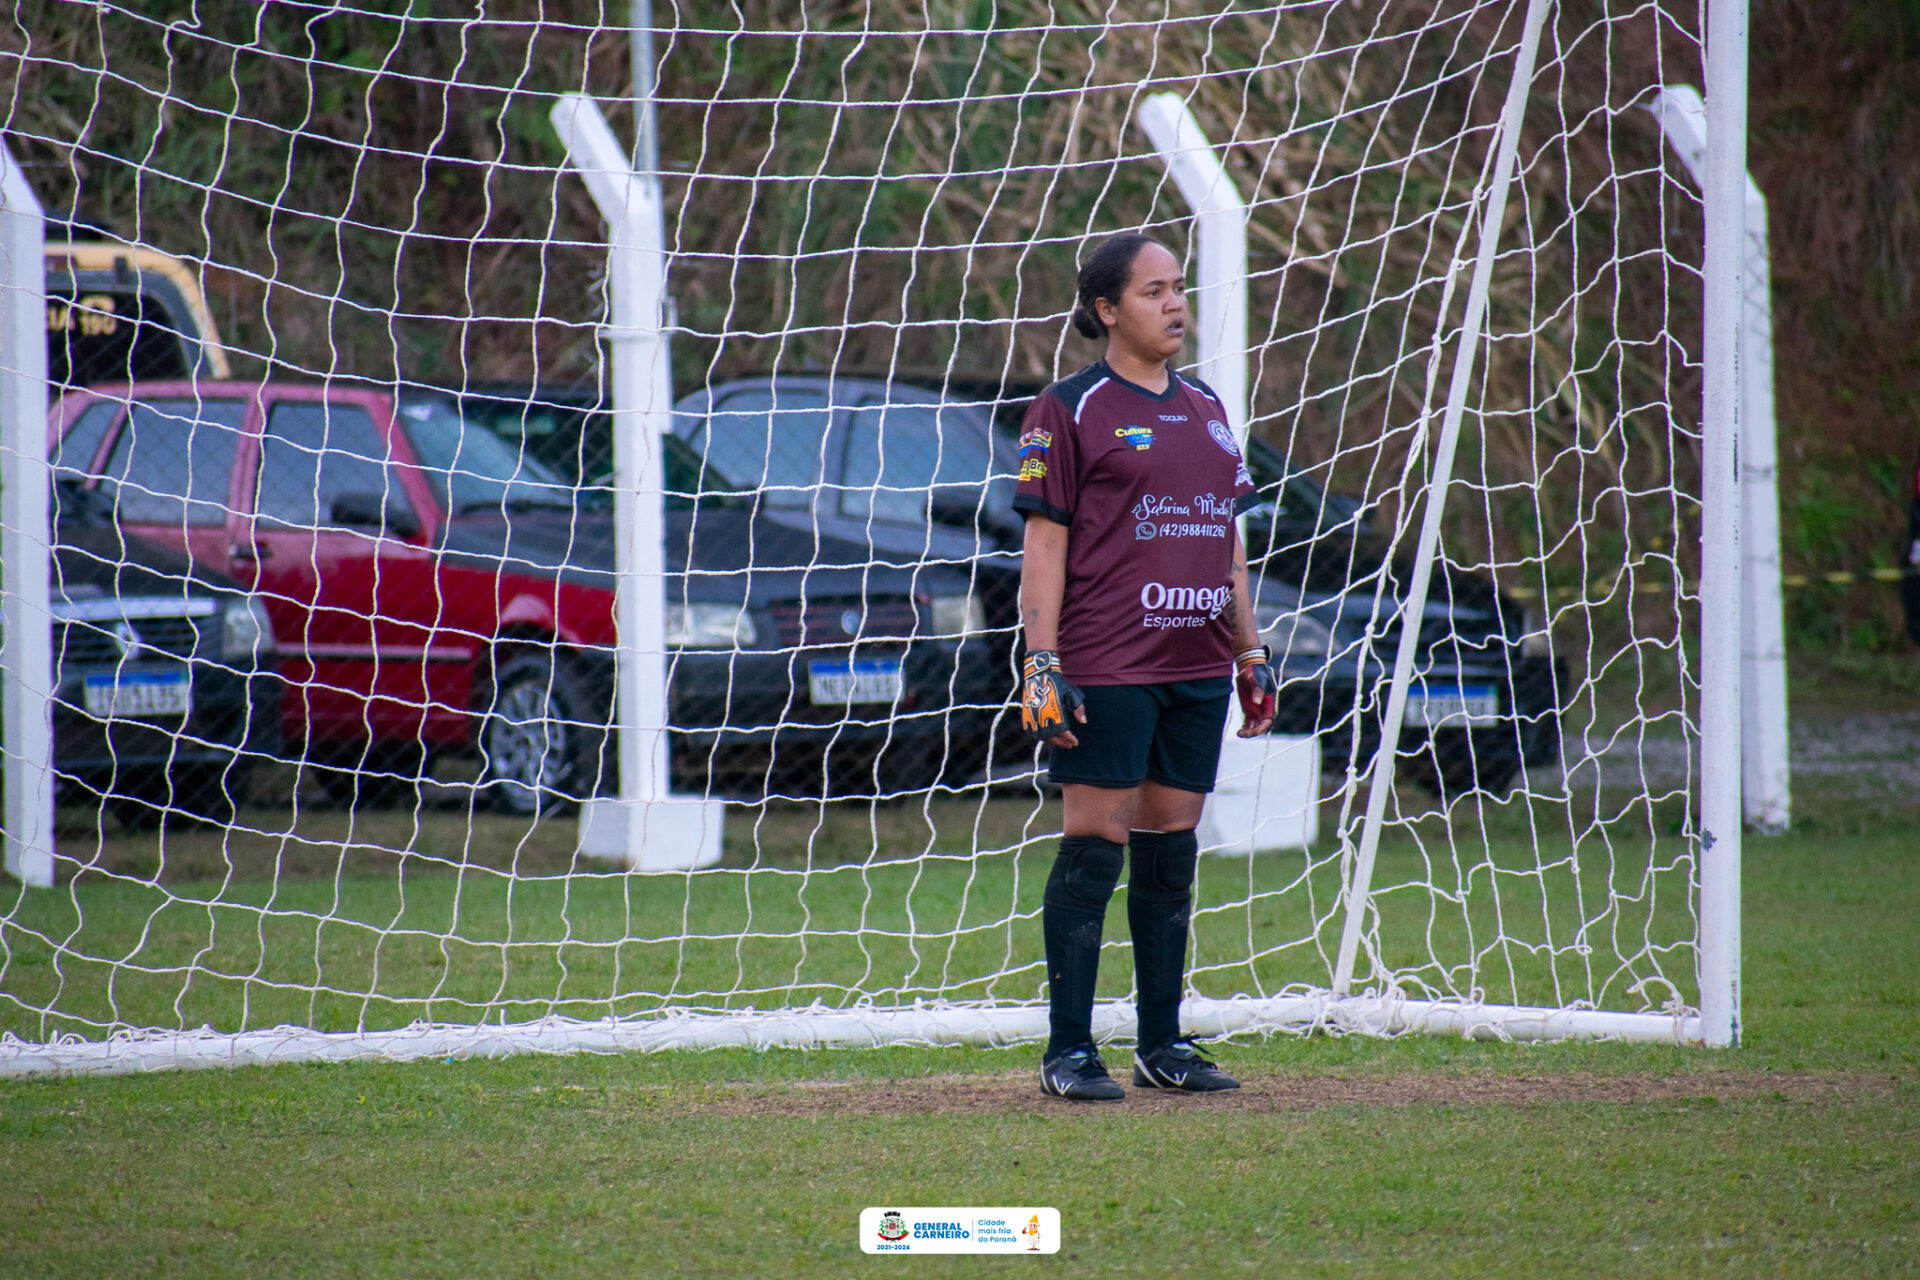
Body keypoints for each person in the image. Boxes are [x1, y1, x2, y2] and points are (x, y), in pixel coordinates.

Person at [1014, 232, 1278, 1102]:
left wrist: (1249, 647)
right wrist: (1041, 661)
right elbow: (1044, 547)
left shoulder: (1207, 408)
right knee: (1096, 846)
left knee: (1172, 852)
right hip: (1107, 661)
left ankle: (1162, 1043)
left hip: (1194, 662)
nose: (1175, 305)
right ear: (1106, 310)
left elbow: (1226, 542)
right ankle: (1068, 1051)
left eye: (1179, 289)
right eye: (1154, 291)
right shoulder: (1070, 408)